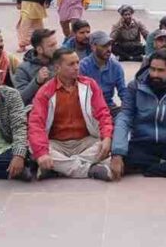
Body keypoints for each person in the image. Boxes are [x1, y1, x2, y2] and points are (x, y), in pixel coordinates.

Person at [27, 48, 114, 181]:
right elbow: (36, 124)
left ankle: (58, 169)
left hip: (85, 142)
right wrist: (42, 153)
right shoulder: (45, 92)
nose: (77, 67)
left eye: (77, 62)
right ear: (57, 68)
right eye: (71, 64)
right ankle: (89, 170)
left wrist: (107, 137)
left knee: (109, 144)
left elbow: (103, 113)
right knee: (34, 149)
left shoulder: (89, 85)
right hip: (57, 144)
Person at [111, 50, 166, 184]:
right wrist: (117, 153)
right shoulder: (135, 87)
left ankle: (148, 168)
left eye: (160, 70)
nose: (155, 74)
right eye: (152, 69)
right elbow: (124, 117)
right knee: (122, 157)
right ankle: (161, 166)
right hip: (142, 142)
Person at [79, 31, 127, 118]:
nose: (108, 49)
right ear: (93, 47)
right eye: (104, 46)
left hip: (109, 107)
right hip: (89, 109)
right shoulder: (83, 66)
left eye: (109, 45)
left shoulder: (116, 66)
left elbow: (123, 92)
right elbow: (80, 96)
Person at [14, 29, 58, 106]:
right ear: (39, 50)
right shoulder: (23, 69)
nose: (56, 48)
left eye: (55, 44)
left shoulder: (60, 60)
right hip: (38, 109)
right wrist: (37, 82)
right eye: (51, 45)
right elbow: (20, 99)